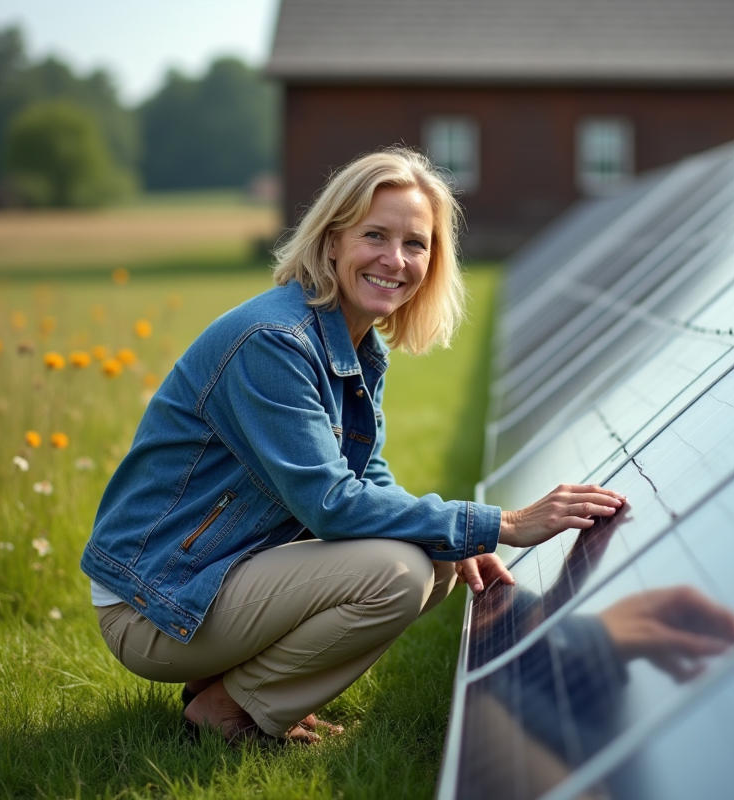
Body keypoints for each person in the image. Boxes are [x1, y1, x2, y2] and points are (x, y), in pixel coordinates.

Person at [80, 146, 625, 744]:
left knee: (437, 557)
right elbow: (332, 504)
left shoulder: (356, 343)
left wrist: (457, 533)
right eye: (375, 236)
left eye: (416, 244)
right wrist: (502, 523)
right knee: (395, 573)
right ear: (332, 240)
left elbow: (369, 477)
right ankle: (228, 710)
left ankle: (234, 688)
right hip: (156, 604)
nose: (395, 260)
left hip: (212, 579)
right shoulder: (274, 342)